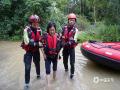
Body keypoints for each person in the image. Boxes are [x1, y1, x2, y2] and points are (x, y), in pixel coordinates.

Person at [21, 14, 42, 88]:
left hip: (36, 51)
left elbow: (41, 41)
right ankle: (27, 83)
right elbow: (27, 42)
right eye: (34, 23)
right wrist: (36, 43)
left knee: (37, 63)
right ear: (31, 23)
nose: (36, 24)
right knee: (27, 67)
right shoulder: (26, 30)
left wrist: (44, 52)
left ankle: (38, 75)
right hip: (29, 52)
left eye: (37, 22)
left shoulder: (39, 30)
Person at [42, 22, 61, 87]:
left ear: (55, 29)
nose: (52, 31)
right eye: (50, 30)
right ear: (48, 30)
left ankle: (54, 79)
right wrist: (43, 54)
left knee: (54, 68)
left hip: (55, 56)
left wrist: (58, 55)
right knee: (47, 70)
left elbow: (59, 47)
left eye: (53, 30)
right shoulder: (45, 36)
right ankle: (48, 85)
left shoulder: (58, 36)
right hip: (47, 56)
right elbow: (40, 45)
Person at [61, 13, 79, 79]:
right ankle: (66, 69)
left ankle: (72, 74)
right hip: (65, 48)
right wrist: (61, 44)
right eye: (70, 20)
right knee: (64, 61)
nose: (71, 21)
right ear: (68, 20)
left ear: (75, 21)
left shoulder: (76, 30)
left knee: (72, 62)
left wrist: (65, 44)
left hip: (71, 48)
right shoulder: (64, 28)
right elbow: (61, 37)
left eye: (73, 20)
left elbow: (74, 40)